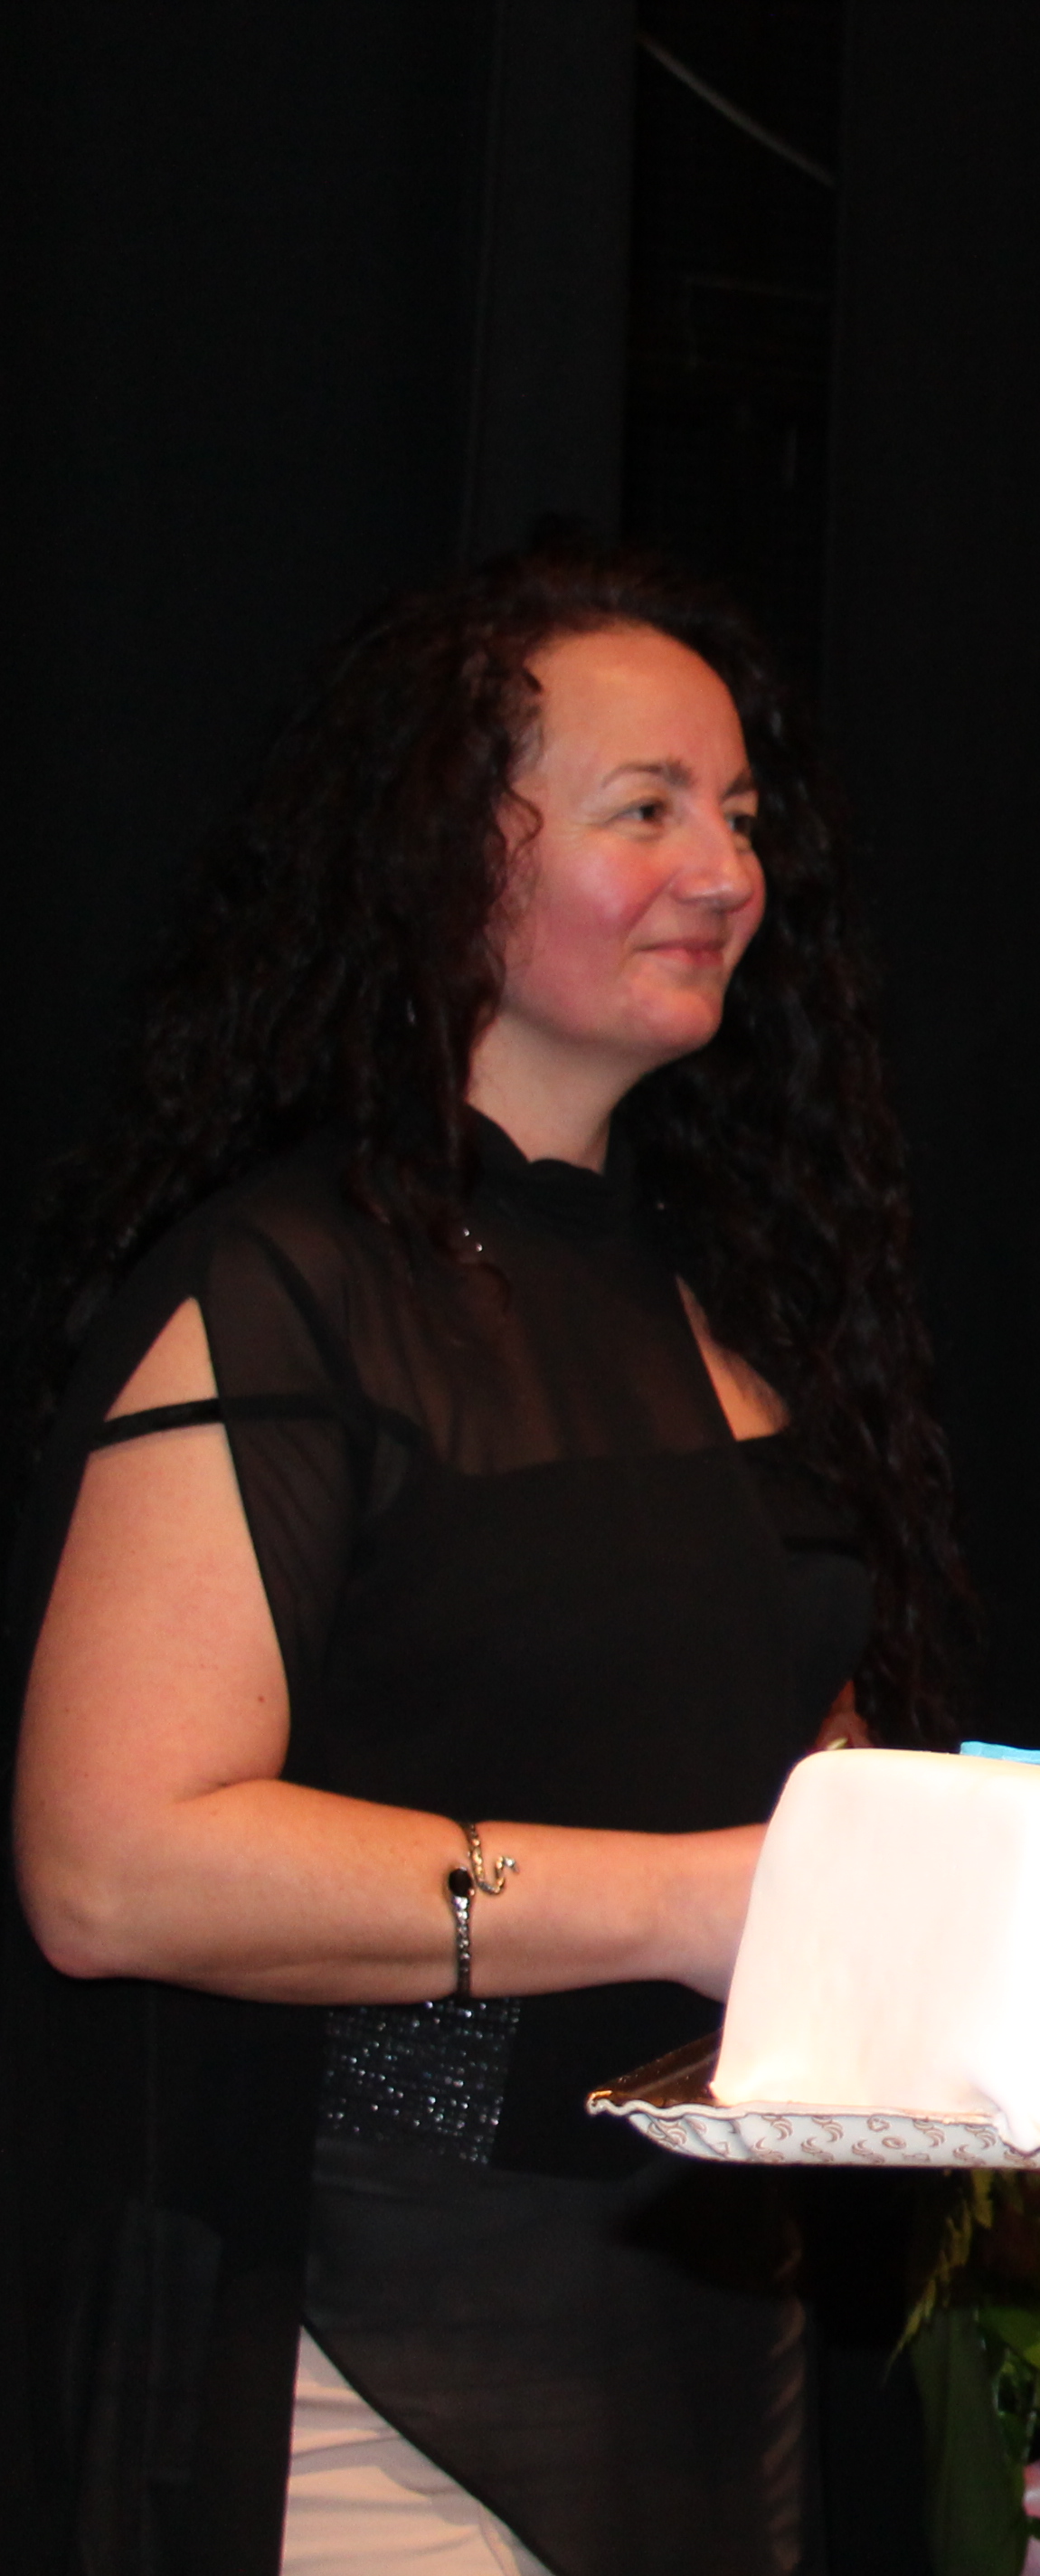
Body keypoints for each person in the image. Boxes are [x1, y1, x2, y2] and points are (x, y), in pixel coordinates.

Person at [5, 545, 968, 2572]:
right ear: (447, 854)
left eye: (741, 815)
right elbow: (109, 1866)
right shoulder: (283, 1286)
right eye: (648, 808)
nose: (725, 871)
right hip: (370, 2357)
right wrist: (688, 1900)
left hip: (716, 2340)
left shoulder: (732, 1292)